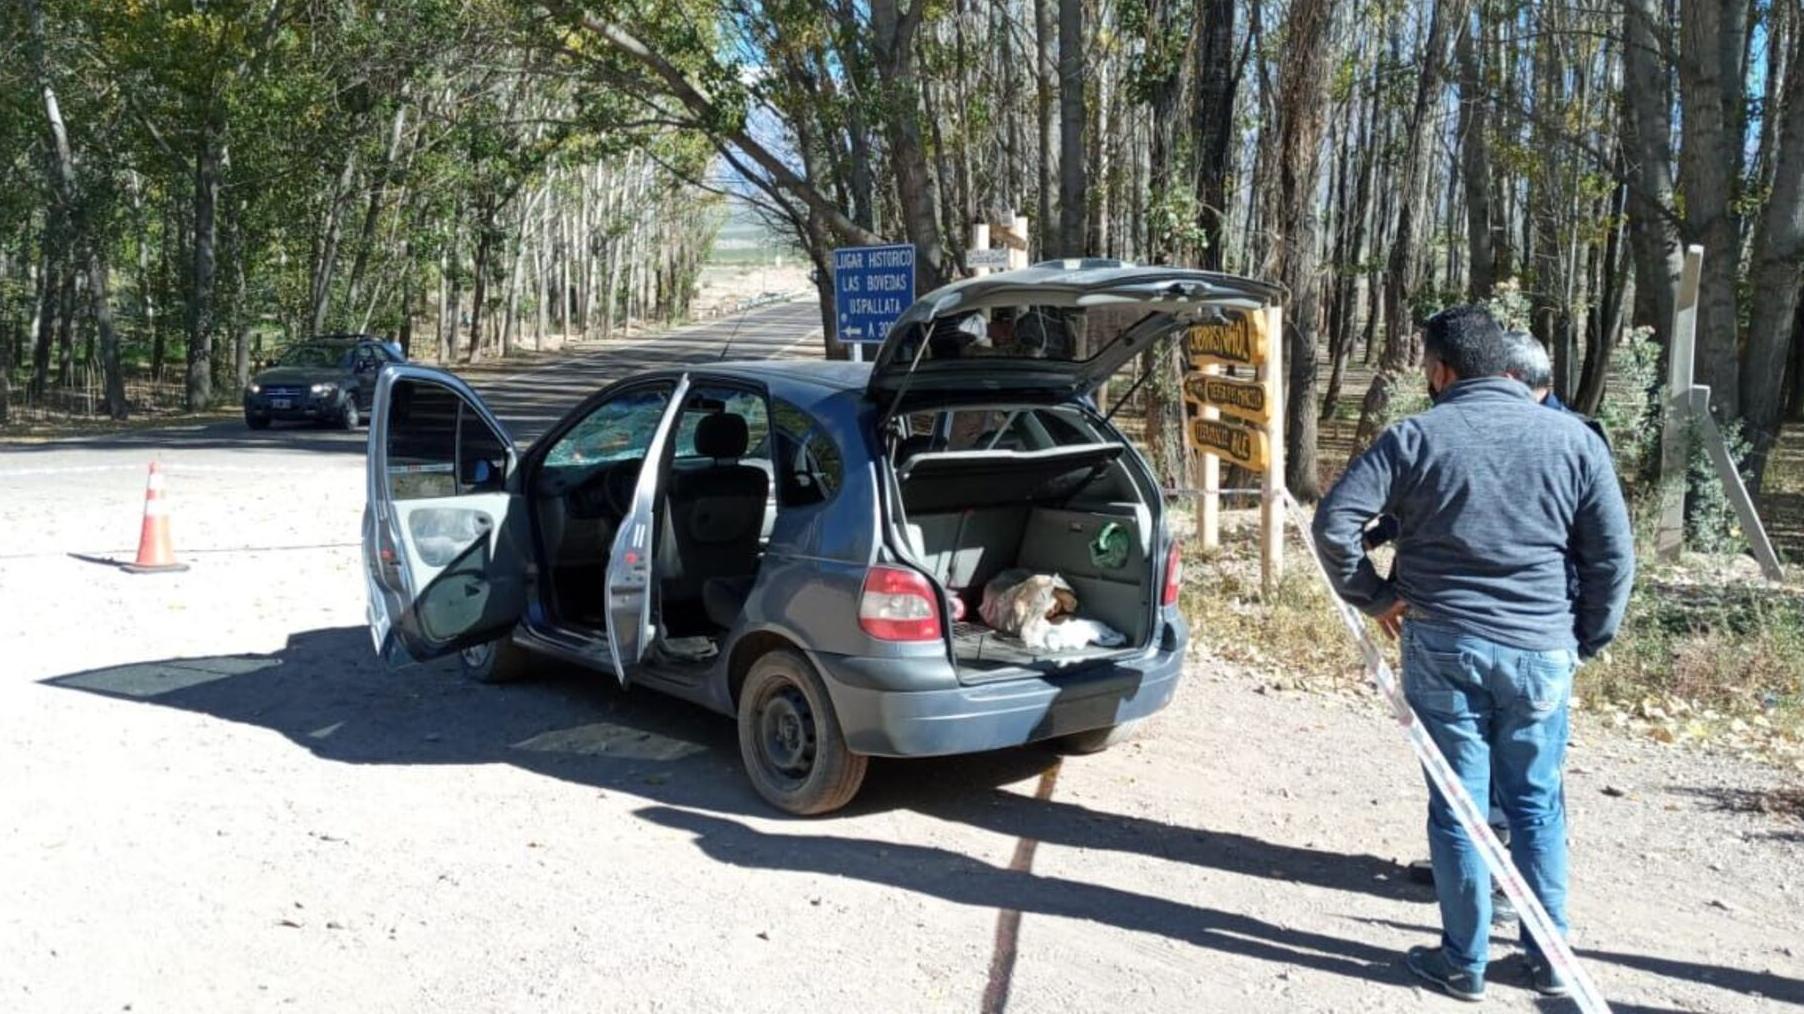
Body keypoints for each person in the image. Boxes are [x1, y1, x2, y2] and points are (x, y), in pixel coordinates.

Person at [1312, 305, 1635, 1002]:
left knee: (1458, 806)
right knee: (1538, 805)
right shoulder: (1576, 441)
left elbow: (1335, 523)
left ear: (1441, 369)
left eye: (1427, 364)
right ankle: (1549, 958)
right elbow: (1613, 557)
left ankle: (1464, 962)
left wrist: (1374, 596)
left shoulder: (1415, 437)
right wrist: (1589, 636)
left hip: (1442, 644)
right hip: (1542, 648)